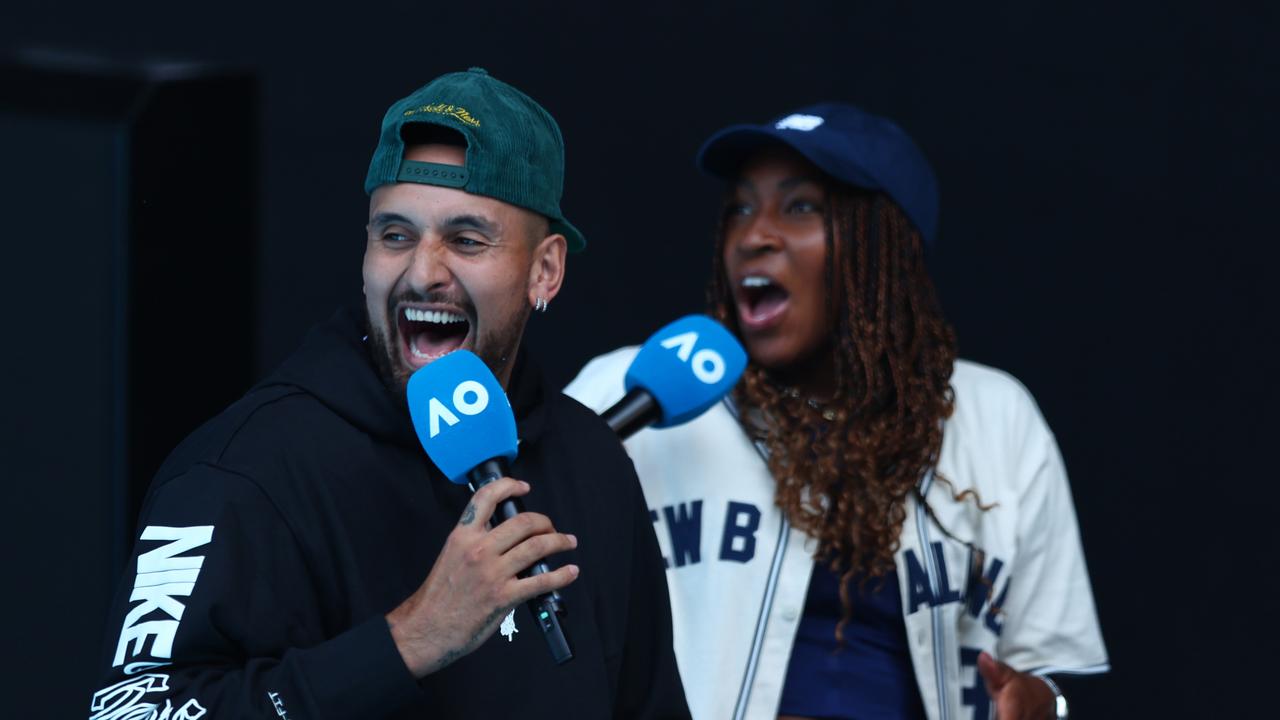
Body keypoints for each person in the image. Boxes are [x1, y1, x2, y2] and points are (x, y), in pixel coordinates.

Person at [90, 68, 689, 720]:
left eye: (466, 239)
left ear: (544, 270)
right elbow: (131, 711)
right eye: (396, 236)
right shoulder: (244, 468)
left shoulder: (593, 461)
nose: (423, 273)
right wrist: (408, 640)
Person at [566, 103, 1108, 720]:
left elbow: (1045, 668)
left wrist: (1046, 702)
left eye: (801, 207)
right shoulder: (635, 389)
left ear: (885, 246)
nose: (753, 235)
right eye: (740, 208)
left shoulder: (997, 418)